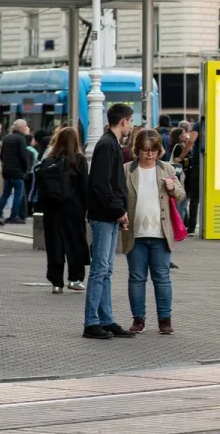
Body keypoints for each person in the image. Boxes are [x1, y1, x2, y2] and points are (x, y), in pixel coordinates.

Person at [122, 129, 185, 335]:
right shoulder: (127, 170)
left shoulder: (166, 169)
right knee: (136, 278)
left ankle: (165, 320)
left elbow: (181, 194)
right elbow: (119, 196)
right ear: (137, 150)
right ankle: (138, 319)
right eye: (145, 150)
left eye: (154, 150)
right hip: (135, 234)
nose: (150, 155)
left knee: (162, 277)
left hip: (160, 234)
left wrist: (172, 188)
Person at [84, 104, 136, 340]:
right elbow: (101, 184)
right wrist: (118, 209)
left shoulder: (110, 143)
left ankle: (106, 319)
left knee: (106, 270)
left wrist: (119, 210)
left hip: (109, 214)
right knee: (100, 269)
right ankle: (91, 321)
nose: (132, 125)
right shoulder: (107, 145)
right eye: (131, 120)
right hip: (104, 215)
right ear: (123, 121)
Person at [39, 126, 90, 294]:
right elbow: (84, 187)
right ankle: (75, 279)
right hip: (73, 208)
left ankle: (56, 282)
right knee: (74, 243)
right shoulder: (79, 160)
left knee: (55, 245)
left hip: (52, 209)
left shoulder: (48, 161)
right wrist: (87, 208)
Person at [0, 119, 31, 226]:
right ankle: (14, 216)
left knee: (5, 193)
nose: (26, 129)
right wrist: (26, 169)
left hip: (6, 171)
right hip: (17, 172)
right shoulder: (21, 139)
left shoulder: (7, 137)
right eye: (25, 127)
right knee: (18, 194)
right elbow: (23, 156)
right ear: (21, 128)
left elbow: (1, 155)